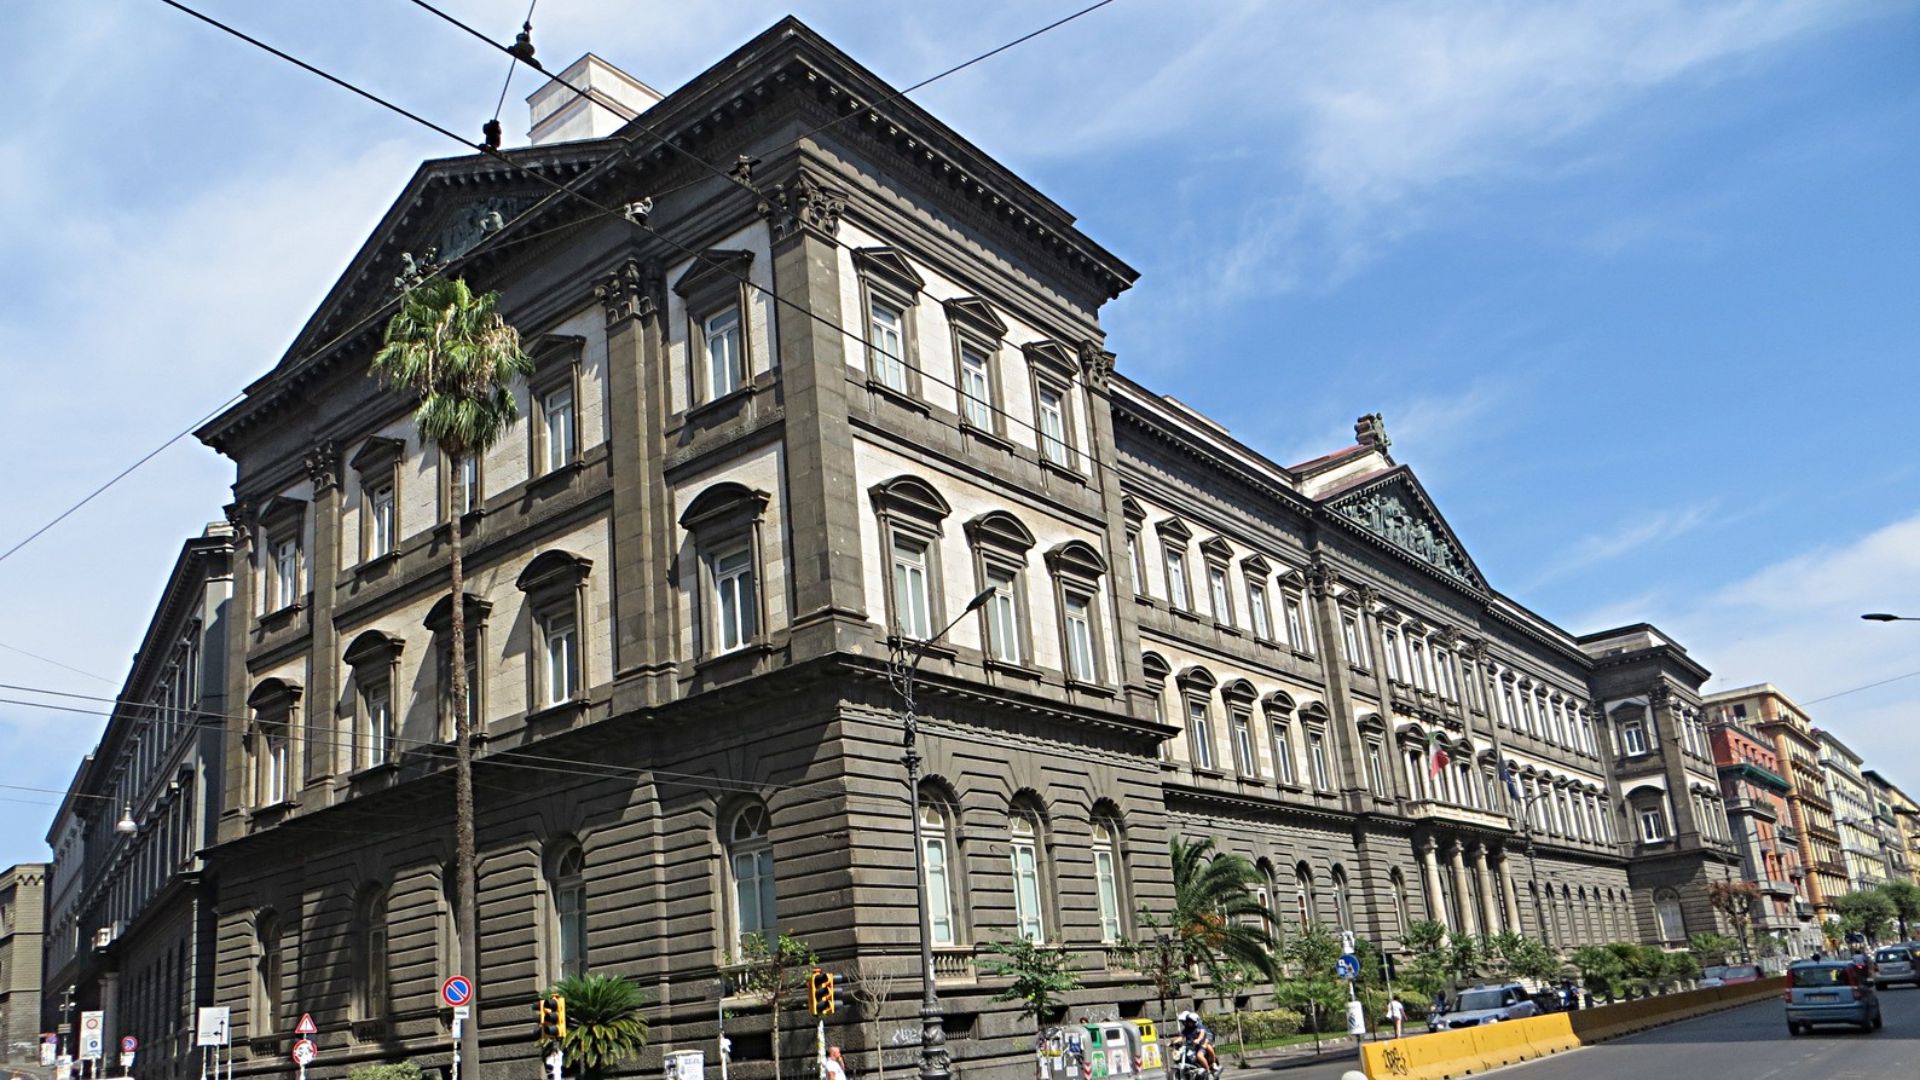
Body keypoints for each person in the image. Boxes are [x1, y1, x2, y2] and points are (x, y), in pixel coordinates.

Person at [1174, 1011, 1219, 1079]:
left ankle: (1208, 1071)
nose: (1187, 1023)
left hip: (1201, 1045)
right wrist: (1173, 1042)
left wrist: (1198, 1039)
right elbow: (1181, 1037)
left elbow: (1202, 1034)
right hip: (1192, 1047)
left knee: (1199, 1056)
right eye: (1188, 1021)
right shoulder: (1186, 1029)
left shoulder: (1200, 1026)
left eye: (1190, 1021)